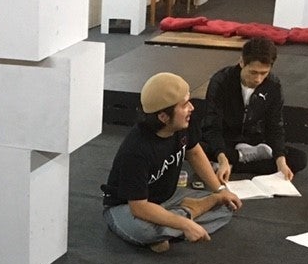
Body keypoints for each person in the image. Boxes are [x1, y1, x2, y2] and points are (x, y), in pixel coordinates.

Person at [101, 73, 243, 253]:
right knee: (145, 231)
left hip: (168, 197)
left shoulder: (183, 124)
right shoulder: (136, 150)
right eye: (185, 105)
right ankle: (188, 215)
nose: (192, 108)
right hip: (127, 207)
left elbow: (195, 152)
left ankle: (171, 226)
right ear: (163, 117)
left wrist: (220, 190)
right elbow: (139, 208)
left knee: (225, 207)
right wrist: (185, 223)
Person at [198, 37, 307, 182]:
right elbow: (212, 125)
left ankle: (233, 164)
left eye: (264, 73)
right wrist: (222, 157)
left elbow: (275, 126)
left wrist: (281, 161)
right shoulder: (221, 81)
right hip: (225, 139)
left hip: (252, 141)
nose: (258, 79)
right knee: (196, 148)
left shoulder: (273, 85)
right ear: (242, 62)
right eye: (253, 72)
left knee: (299, 159)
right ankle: (235, 159)